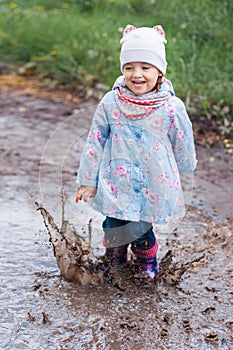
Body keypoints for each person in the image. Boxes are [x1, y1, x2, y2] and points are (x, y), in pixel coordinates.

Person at [76, 24, 197, 279]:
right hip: (116, 179)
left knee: (142, 228)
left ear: (159, 71)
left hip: (153, 181)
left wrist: (186, 165)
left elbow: (182, 138)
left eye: (145, 67)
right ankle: (115, 259)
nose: (136, 74)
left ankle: (147, 263)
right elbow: (95, 140)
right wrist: (87, 181)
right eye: (129, 67)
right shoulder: (111, 103)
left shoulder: (171, 107)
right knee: (113, 224)